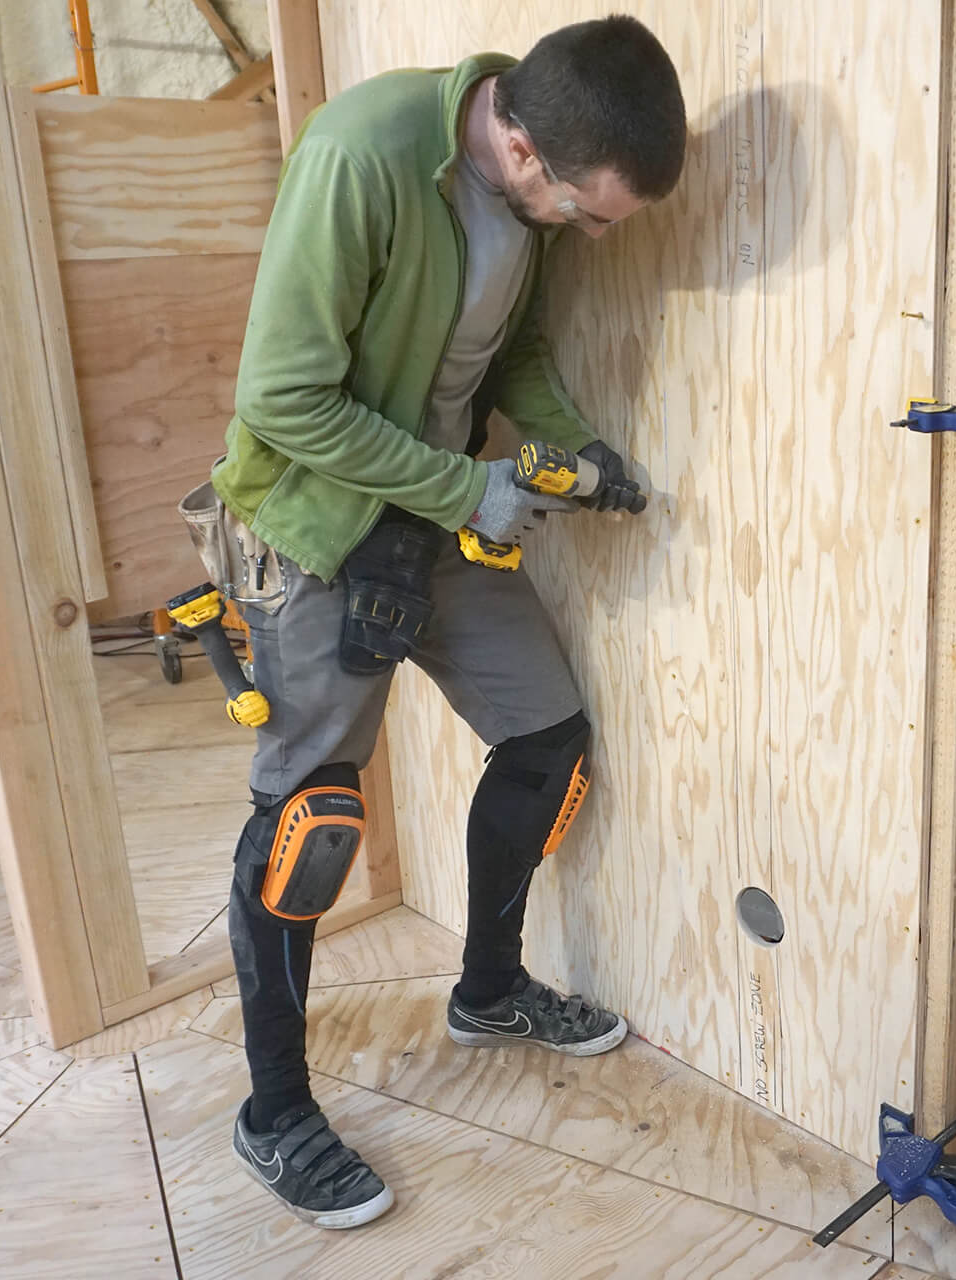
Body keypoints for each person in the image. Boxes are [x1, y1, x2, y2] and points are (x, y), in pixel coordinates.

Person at [201, 16, 687, 1230]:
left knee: (547, 737)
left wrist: (567, 439)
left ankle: (487, 988)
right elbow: (285, 397)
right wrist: (469, 486)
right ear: (520, 146)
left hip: (431, 509)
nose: (588, 232)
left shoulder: (531, 202)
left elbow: (511, 347)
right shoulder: (359, 157)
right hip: (316, 522)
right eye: (588, 212)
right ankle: (274, 1111)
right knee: (311, 823)